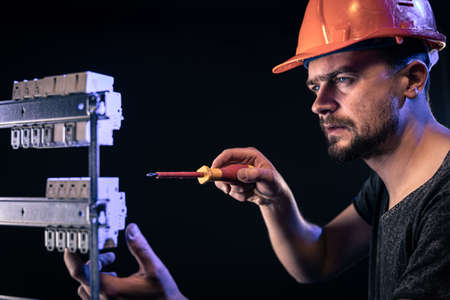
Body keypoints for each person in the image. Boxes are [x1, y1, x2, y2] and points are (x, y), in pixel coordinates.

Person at [64, 0, 450, 299]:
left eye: (343, 79)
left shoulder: (444, 203)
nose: (320, 104)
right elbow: (320, 258)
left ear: (412, 79)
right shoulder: (391, 183)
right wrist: (274, 200)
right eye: (315, 86)